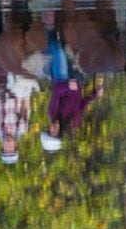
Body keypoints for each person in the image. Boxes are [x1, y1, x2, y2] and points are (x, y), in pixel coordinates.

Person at [40, 25, 103, 154]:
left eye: (50, 130)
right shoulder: (74, 122)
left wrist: (68, 86)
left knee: (59, 51)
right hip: (78, 82)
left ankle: (50, 31)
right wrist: (94, 94)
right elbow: (82, 105)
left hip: (61, 79)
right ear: (60, 133)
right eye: (54, 132)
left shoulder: (52, 112)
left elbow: (57, 93)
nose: (53, 128)